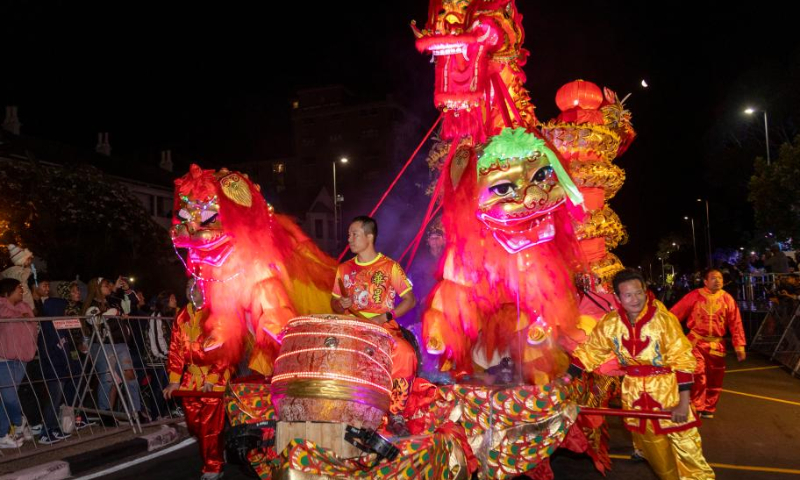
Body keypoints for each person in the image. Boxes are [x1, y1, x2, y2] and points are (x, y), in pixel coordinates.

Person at [564, 269, 714, 480]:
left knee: (688, 452)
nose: (635, 299)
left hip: (668, 393)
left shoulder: (664, 320)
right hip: (635, 396)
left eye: (638, 293)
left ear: (645, 292)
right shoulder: (610, 323)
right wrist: (566, 378)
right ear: (617, 298)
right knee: (658, 457)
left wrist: (683, 402)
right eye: (628, 295)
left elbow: (683, 359)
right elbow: (591, 352)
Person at [331, 216, 418, 436]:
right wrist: (340, 304)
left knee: (406, 354)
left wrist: (385, 316)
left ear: (369, 237)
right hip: (354, 328)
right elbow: (333, 303)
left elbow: (410, 300)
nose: (349, 239)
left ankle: (396, 414)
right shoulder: (344, 269)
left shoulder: (390, 267)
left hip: (383, 329)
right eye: (349, 234)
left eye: (354, 234)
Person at [163, 285, 233, 480]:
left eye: (197, 286)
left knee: (209, 426)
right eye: (188, 286)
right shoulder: (181, 316)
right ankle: (217, 450)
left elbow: (224, 352)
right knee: (195, 426)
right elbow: (175, 350)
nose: (192, 291)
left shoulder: (216, 316)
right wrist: (174, 381)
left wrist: (211, 379)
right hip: (190, 380)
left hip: (214, 378)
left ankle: (213, 466)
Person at [670, 269, 746, 418]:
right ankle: (696, 406)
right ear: (705, 281)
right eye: (713, 278)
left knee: (714, 378)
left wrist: (739, 346)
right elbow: (674, 314)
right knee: (697, 373)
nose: (717, 280)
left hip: (717, 345)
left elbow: (735, 323)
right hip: (695, 342)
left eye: (720, 278)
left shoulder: (727, 299)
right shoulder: (694, 296)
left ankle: (709, 407)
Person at [82, 277, 142, 423]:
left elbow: (132, 303)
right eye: (105, 285)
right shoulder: (92, 304)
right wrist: (110, 313)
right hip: (104, 345)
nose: (109, 287)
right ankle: (106, 414)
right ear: (96, 288)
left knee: (130, 376)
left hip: (121, 344)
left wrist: (127, 289)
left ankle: (136, 412)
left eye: (108, 284)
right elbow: (92, 320)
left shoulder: (114, 300)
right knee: (108, 379)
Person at [0, 278, 38, 448]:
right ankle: (19, 420)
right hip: (3, 358)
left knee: (6, 398)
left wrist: (32, 348)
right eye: (18, 288)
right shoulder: (1, 306)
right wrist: (18, 316)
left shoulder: (25, 306)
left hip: (22, 358)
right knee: (8, 396)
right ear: (7, 291)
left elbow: (32, 325)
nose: (21, 291)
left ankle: (2, 435)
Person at [1, 244, 35, 309]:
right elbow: (25, 291)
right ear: (24, 260)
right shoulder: (21, 272)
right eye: (29, 259)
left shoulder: (10, 271)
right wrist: (31, 306)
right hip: (23, 304)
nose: (30, 262)